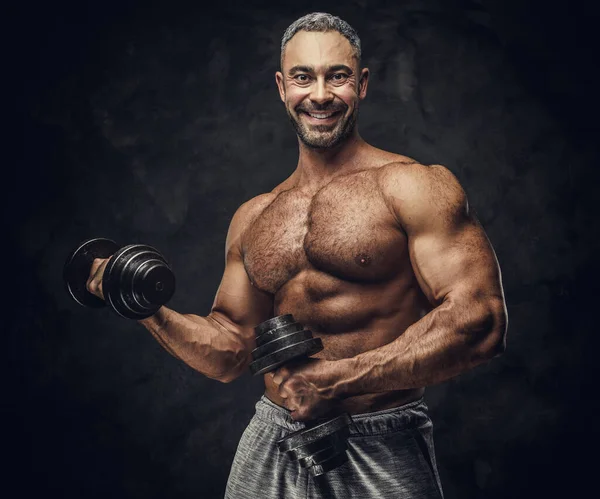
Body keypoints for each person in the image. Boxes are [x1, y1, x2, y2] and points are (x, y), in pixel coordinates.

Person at [87, 12, 508, 499]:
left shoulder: (414, 186)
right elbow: (229, 351)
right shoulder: (254, 217)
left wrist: (335, 381)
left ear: (363, 84)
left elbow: (481, 321)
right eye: (304, 77)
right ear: (282, 87)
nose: (321, 94)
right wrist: (141, 306)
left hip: (381, 438)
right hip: (273, 438)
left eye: (339, 76)